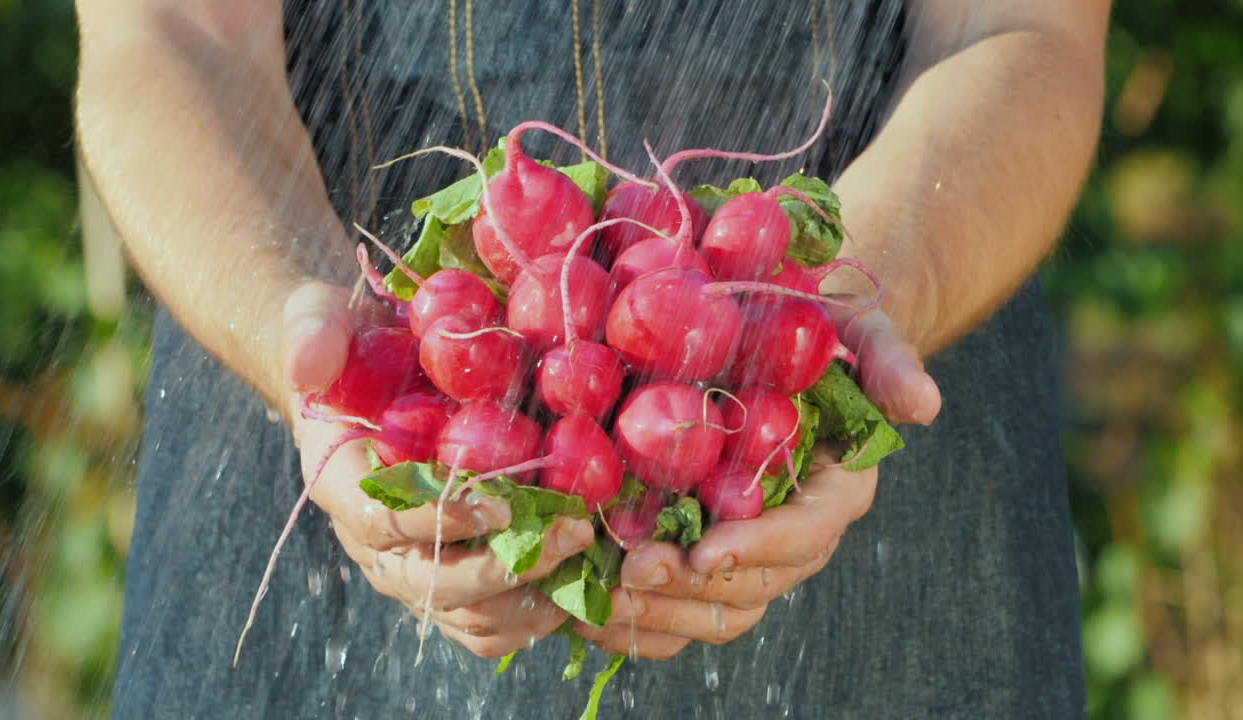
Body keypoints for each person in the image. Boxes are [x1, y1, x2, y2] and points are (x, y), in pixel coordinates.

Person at [75, 0, 1111, 717]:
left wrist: (851, 301)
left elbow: (1014, 27)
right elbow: (172, 27)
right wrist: (296, 331)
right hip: (358, 439)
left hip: (884, 520)